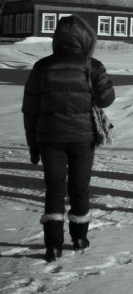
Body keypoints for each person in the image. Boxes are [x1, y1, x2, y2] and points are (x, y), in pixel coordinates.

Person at [22, 15, 116, 261]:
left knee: (54, 189)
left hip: (49, 138)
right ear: (85, 39)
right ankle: (79, 238)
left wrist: (33, 143)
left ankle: (53, 245)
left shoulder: (41, 67)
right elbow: (106, 99)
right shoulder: (91, 65)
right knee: (79, 188)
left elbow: (30, 109)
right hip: (82, 138)